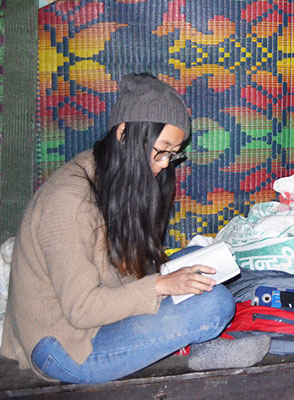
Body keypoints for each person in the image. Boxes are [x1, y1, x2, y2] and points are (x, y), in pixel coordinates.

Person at [0, 73, 236, 383]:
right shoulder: (69, 201)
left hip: (101, 319)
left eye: (172, 154)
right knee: (215, 304)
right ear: (124, 133)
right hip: (65, 346)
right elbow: (81, 310)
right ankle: (199, 348)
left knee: (200, 260)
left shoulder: (113, 175)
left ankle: (189, 341)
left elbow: (126, 269)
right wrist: (159, 286)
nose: (166, 164)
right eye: (161, 150)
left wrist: (165, 278)